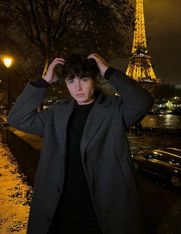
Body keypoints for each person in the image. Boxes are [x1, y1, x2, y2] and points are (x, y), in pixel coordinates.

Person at [8, 53, 154, 234]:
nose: (77, 88)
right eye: (70, 81)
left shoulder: (114, 110)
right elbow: (17, 118)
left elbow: (143, 101)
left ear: (95, 79)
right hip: (61, 212)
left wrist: (108, 71)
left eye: (84, 79)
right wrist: (44, 81)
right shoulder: (56, 114)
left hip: (101, 214)